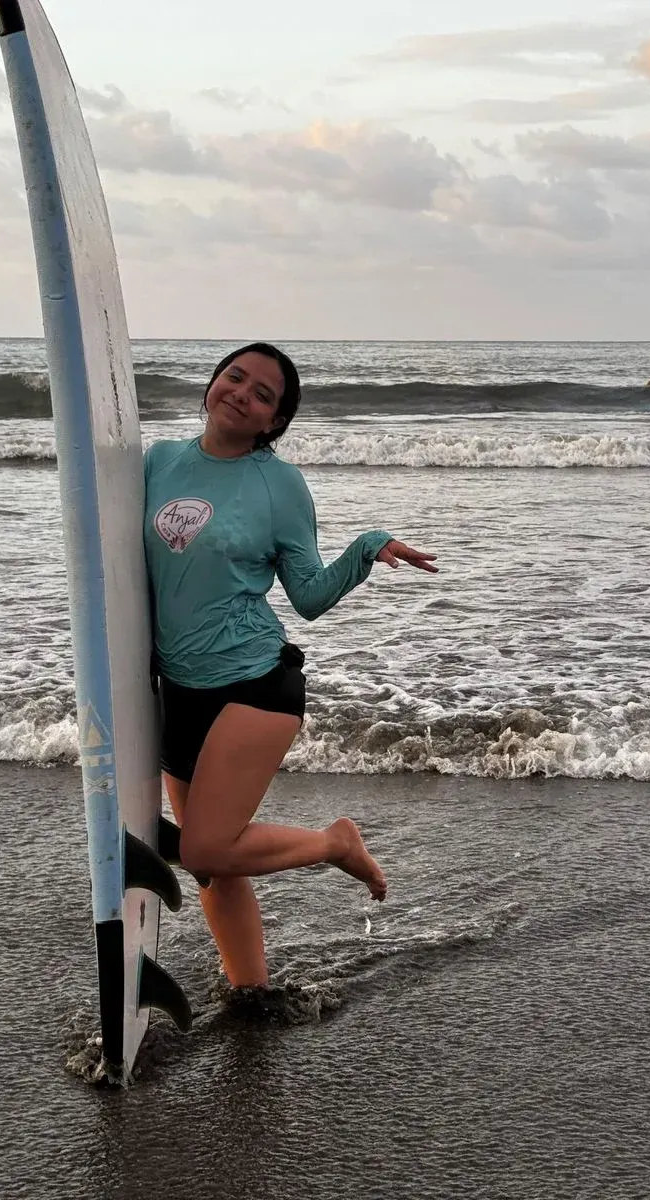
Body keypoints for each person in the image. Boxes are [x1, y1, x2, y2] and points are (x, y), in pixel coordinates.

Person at [144, 341, 437, 988]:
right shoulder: (159, 462)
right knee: (212, 867)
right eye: (235, 377)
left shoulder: (279, 485)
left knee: (205, 846)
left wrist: (365, 546)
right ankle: (250, 989)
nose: (242, 393)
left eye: (262, 394)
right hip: (179, 691)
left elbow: (307, 597)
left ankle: (336, 843)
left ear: (274, 422)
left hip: (254, 685)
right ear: (213, 383)